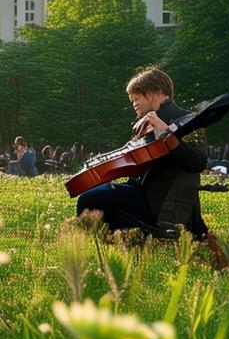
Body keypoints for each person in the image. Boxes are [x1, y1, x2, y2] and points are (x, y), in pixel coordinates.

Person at [76, 67, 209, 237]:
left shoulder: (187, 119)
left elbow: (198, 162)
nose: (134, 104)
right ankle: (120, 243)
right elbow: (128, 156)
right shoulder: (144, 123)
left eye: (136, 98)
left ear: (151, 93)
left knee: (90, 200)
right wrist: (101, 164)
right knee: (95, 196)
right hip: (142, 191)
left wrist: (166, 135)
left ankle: (110, 243)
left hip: (162, 200)